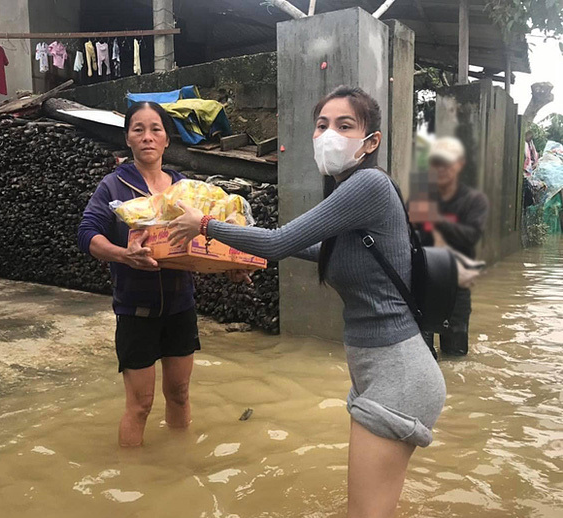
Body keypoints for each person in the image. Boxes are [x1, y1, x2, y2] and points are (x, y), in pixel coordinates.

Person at [169, 86, 446, 518]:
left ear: (370, 142)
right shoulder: (351, 193)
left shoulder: (368, 184)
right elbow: (320, 253)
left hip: (399, 375)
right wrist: (244, 256)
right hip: (382, 372)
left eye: (344, 125)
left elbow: (279, 242)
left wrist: (205, 224)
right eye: (322, 126)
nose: (329, 134)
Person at [77, 102, 210, 447]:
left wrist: (235, 269)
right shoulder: (114, 186)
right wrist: (124, 256)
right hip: (136, 309)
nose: (148, 137)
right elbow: (87, 235)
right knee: (141, 404)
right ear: (129, 139)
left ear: (167, 139)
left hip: (181, 306)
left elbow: (209, 239)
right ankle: (132, 484)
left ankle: (180, 463)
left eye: (156, 129)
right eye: (139, 129)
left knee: (179, 393)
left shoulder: (184, 189)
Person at [413, 137, 489, 357]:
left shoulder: (474, 201)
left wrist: (438, 220)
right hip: (423, 288)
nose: (442, 168)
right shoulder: (421, 199)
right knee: (423, 356)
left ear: (459, 164)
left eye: (448, 162)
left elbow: (471, 236)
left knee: (456, 356)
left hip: (457, 287)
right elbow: (407, 237)